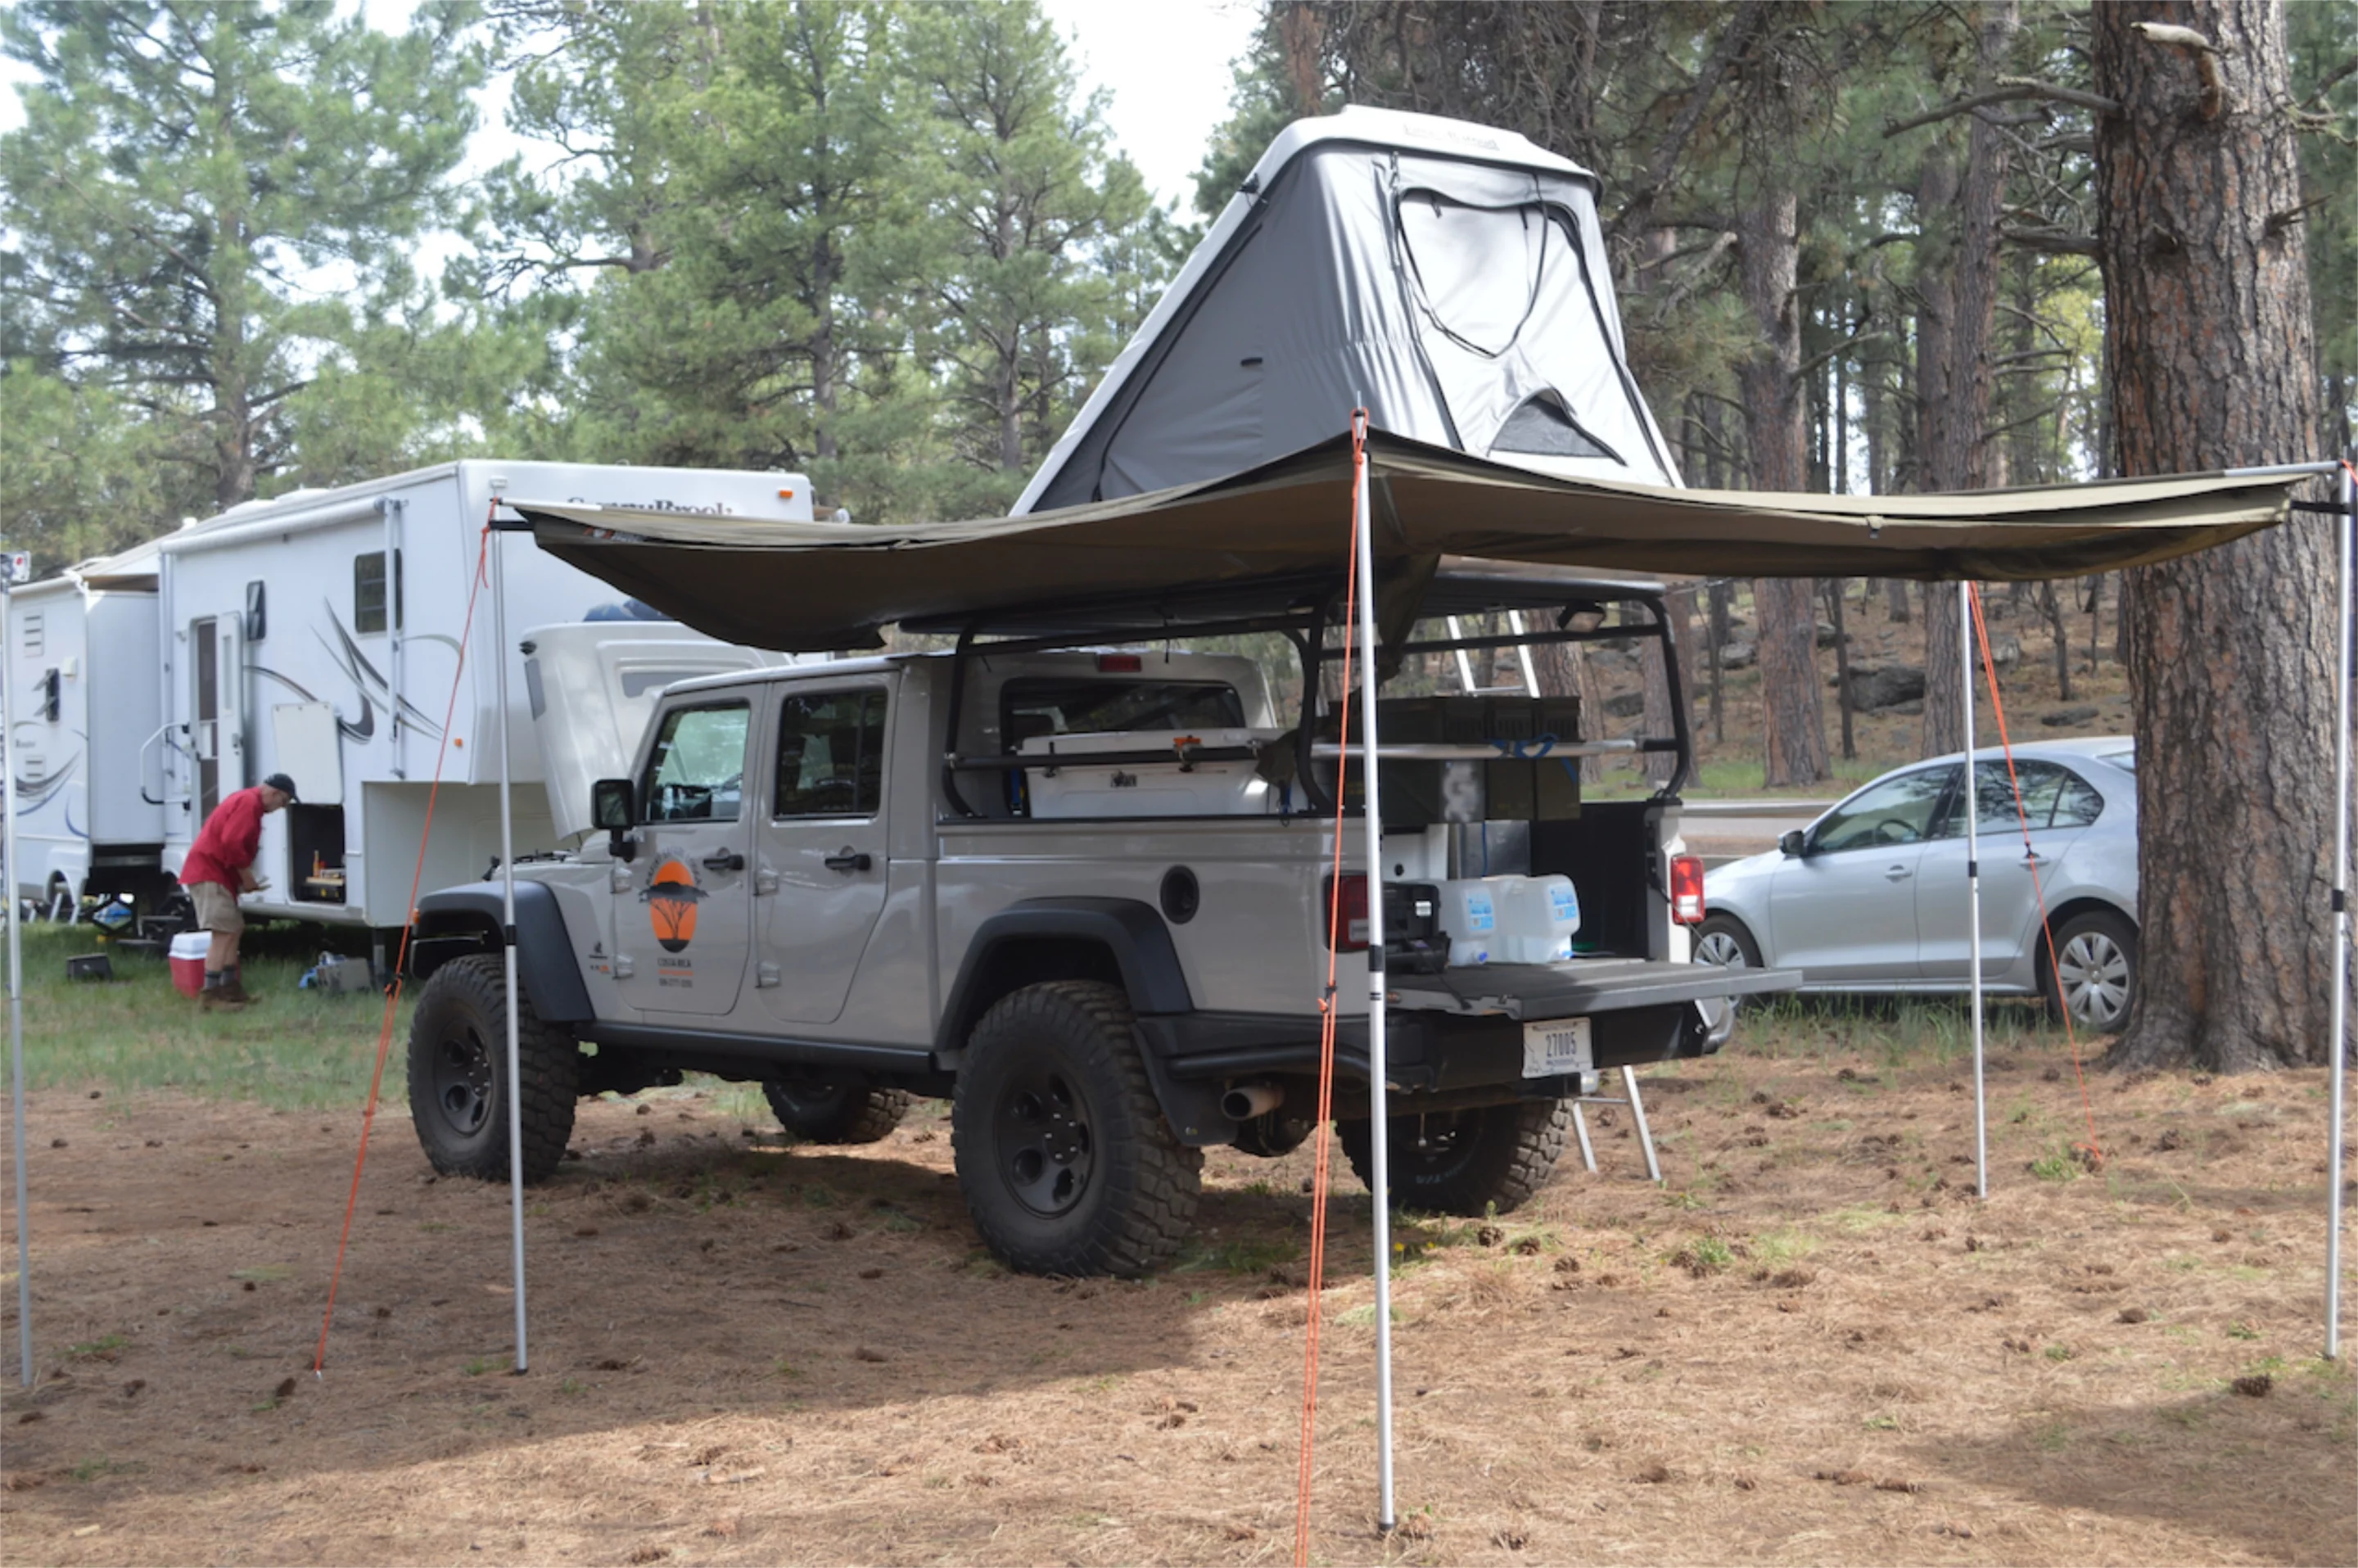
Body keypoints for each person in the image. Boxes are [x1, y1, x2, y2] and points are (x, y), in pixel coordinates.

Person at [178, 772, 296, 1010]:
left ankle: (230, 989)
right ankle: (211, 996)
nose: (279, 808)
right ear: (273, 793)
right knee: (224, 933)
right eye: (282, 802)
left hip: (216, 875)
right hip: (209, 874)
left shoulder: (246, 801)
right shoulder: (249, 804)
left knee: (234, 928)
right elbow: (231, 843)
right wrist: (247, 877)